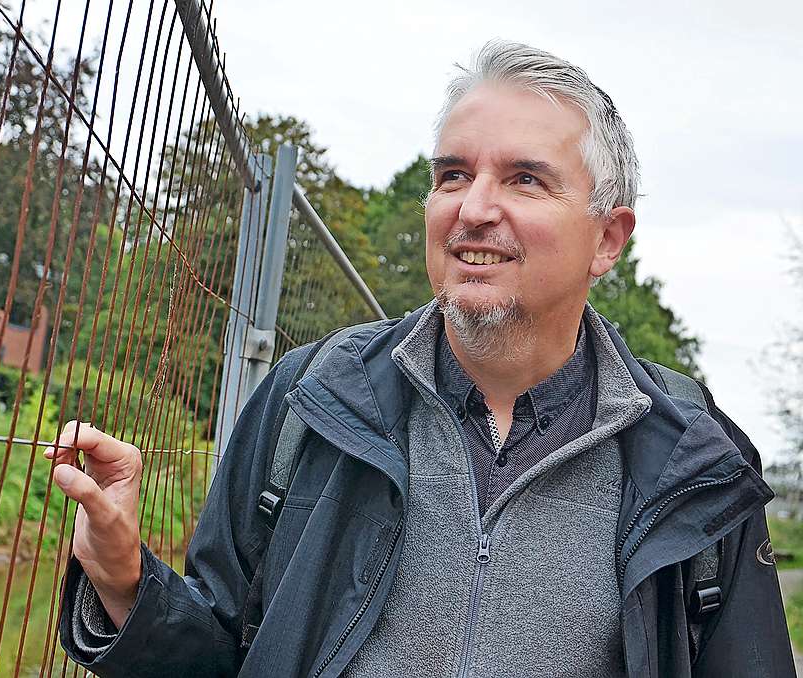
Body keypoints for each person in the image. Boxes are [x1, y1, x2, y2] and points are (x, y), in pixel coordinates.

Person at [46, 41, 794, 677]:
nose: (472, 209)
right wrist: (125, 581)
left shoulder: (693, 456)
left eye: (525, 179)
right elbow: (219, 654)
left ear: (608, 238)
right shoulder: (310, 400)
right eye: (453, 175)